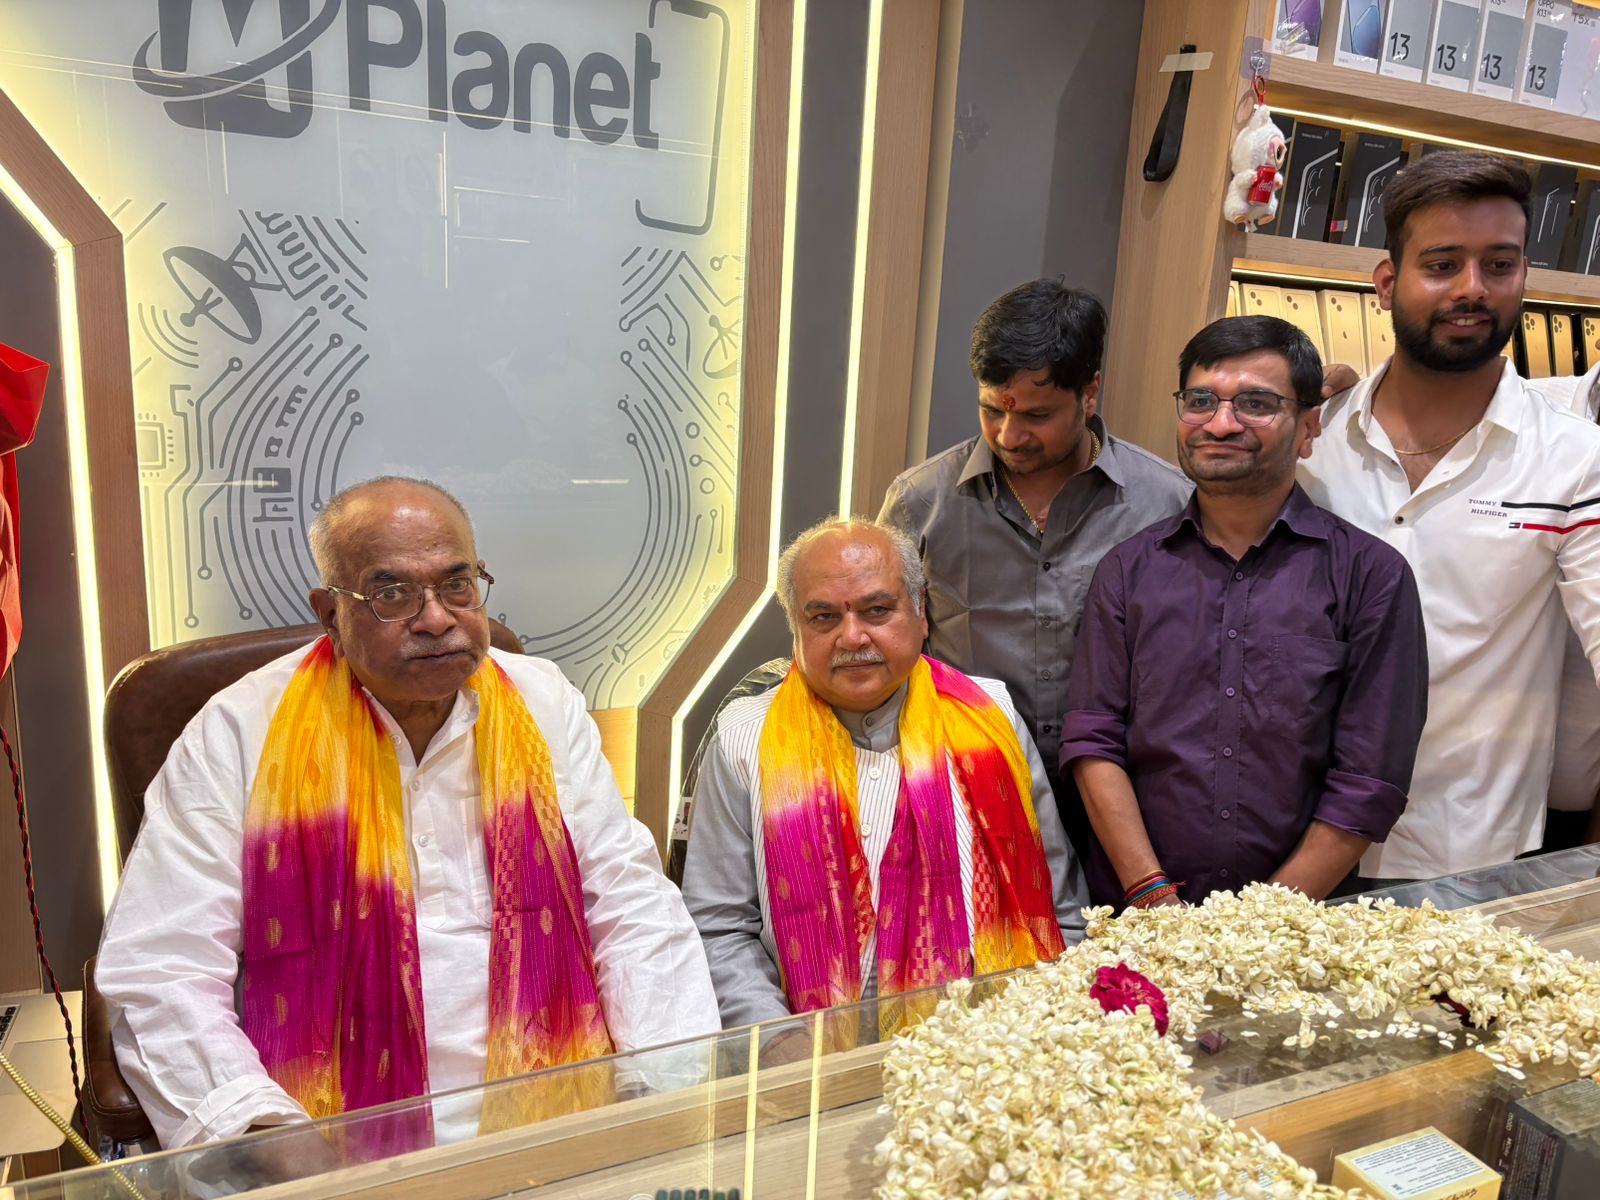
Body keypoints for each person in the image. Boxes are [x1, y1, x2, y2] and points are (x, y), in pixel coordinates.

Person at [95, 477, 720, 1150]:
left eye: (457, 585)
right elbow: (165, 967)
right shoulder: (239, 732)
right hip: (325, 1133)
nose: (437, 619)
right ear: (330, 613)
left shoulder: (545, 702)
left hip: (561, 1110)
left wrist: (664, 1092)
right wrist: (269, 1139)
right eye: (391, 593)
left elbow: (631, 905)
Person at [1300, 150, 1600, 885]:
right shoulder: (1310, 441)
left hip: (1468, 851)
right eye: (1442, 265)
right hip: (1293, 834)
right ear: (1386, 283)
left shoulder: (1574, 458)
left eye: (1500, 264)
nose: (1473, 288)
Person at [1062, 316, 1428, 908]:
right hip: (1137, 918)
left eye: (1256, 404)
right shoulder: (1127, 571)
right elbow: (1094, 740)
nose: (1221, 423)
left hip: (1298, 928)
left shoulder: (1371, 577)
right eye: (1200, 401)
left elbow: (1368, 782)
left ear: (1308, 427)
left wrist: (1254, 928)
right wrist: (1154, 898)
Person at [681, 518, 1085, 1031]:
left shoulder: (991, 717)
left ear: (921, 613)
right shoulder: (744, 740)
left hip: (992, 1044)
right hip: (813, 1055)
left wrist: (1049, 1026)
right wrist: (780, 1042)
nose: (852, 636)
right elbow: (719, 929)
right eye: (823, 617)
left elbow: (1060, 905)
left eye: (877, 610)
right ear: (796, 629)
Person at [877, 280, 1192, 861]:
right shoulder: (922, 501)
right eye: (991, 409)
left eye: (1038, 415)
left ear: (1090, 392)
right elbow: (886, 649)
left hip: (1124, 803)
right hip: (967, 795)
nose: (1009, 435)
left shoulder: (1166, 504)